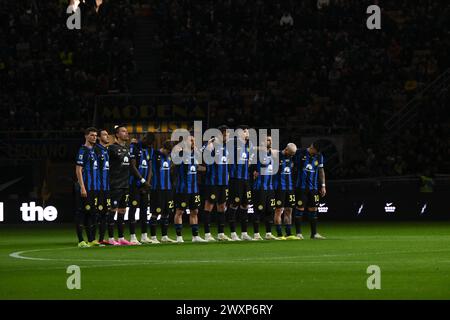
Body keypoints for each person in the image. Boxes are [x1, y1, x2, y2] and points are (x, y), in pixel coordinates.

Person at [173, 134, 207, 243]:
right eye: (191, 140)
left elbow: (197, 166)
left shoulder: (195, 155)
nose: (193, 142)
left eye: (194, 140)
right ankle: (179, 237)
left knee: (195, 211)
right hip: (182, 189)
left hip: (194, 189)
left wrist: (205, 169)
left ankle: (195, 236)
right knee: (180, 212)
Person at [202, 125, 232, 241]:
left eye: (229, 134)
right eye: (226, 134)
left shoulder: (227, 147)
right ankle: (207, 234)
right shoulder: (212, 144)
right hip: (212, 181)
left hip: (224, 182)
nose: (228, 136)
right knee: (209, 206)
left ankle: (221, 233)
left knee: (222, 207)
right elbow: (204, 156)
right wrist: (208, 144)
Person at [293, 141, 327, 239]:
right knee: (300, 209)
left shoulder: (319, 156)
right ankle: (298, 233)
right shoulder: (300, 152)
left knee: (313, 209)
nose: (316, 153)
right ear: (312, 147)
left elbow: (321, 171)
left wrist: (323, 185)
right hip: (301, 187)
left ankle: (314, 234)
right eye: (316, 151)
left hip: (313, 188)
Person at [75, 127, 101, 248]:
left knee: (91, 213)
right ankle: (81, 240)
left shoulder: (94, 150)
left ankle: (91, 239)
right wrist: (82, 187)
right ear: (86, 136)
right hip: (85, 187)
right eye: (91, 135)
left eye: (95, 135)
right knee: (82, 213)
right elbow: (78, 169)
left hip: (94, 187)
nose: (94, 137)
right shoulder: (82, 150)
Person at [108, 125, 133, 245]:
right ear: (117, 135)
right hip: (115, 185)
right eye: (123, 131)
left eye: (127, 131)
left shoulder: (127, 149)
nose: (126, 133)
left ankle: (121, 237)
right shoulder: (111, 149)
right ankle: (110, 238)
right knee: (112, 211)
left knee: (122, 211)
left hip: (125, 185)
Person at [227, 125, 253, 241]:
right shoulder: (232, 143)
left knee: (245, 205)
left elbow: (249, 161)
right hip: (235, 179)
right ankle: (233, 233)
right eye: (246, 132)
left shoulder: (248, 145)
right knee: (234, 204)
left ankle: (244, 233)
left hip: (245, 179)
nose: (248, 134)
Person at [128, 132, 155, 244]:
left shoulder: (149, 150)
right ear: (143, 138)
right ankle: (132, 236)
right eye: (147, 141)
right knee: (133, 209)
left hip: (145, 186)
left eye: (150, 143)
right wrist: (142, 181)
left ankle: (144, 235)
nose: (148, 144)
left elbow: (150, 168)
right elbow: (132, 166)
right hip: (134, 184)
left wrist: (147, 183)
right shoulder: (133, 147)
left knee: (144, 210)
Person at [149, 140, 176, 243]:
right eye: (168, 151)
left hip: (168, 189)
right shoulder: (155, 154)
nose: (169, 153)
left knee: (166, 213)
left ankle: (164, 236)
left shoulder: (169, 157)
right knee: (156, 212)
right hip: (157, 189)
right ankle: (153, 237)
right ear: (163, 148)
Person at [251, 136, 278, 240]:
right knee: (258, 210)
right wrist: (253, 172)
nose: (270, 141)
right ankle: (256, 234)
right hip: (260, 187)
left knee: (270, 210)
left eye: (271, 140)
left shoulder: (273, 154)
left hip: (270, 187)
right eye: (268, 140)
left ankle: (268, 233)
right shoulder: (258, 154)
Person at [273, 143, 297, 240]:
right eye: (291, 153)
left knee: (289, 210)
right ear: (286, 149)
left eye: (293, 154)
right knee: (279, 210)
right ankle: (279, 234)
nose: (292, 155)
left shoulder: (292, 157)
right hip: (279, 188)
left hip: (290, 188)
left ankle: (289, 233)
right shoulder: (277, 155)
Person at [94, 129, 112, 245]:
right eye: (105, 135)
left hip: (107, 187)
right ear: (99, 138)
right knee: (96, 213)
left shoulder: (106, 150)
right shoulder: (95, 150)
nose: (107, 137)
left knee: (106, 213)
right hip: (98, 187)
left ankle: (101, 238)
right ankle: (92, 238)